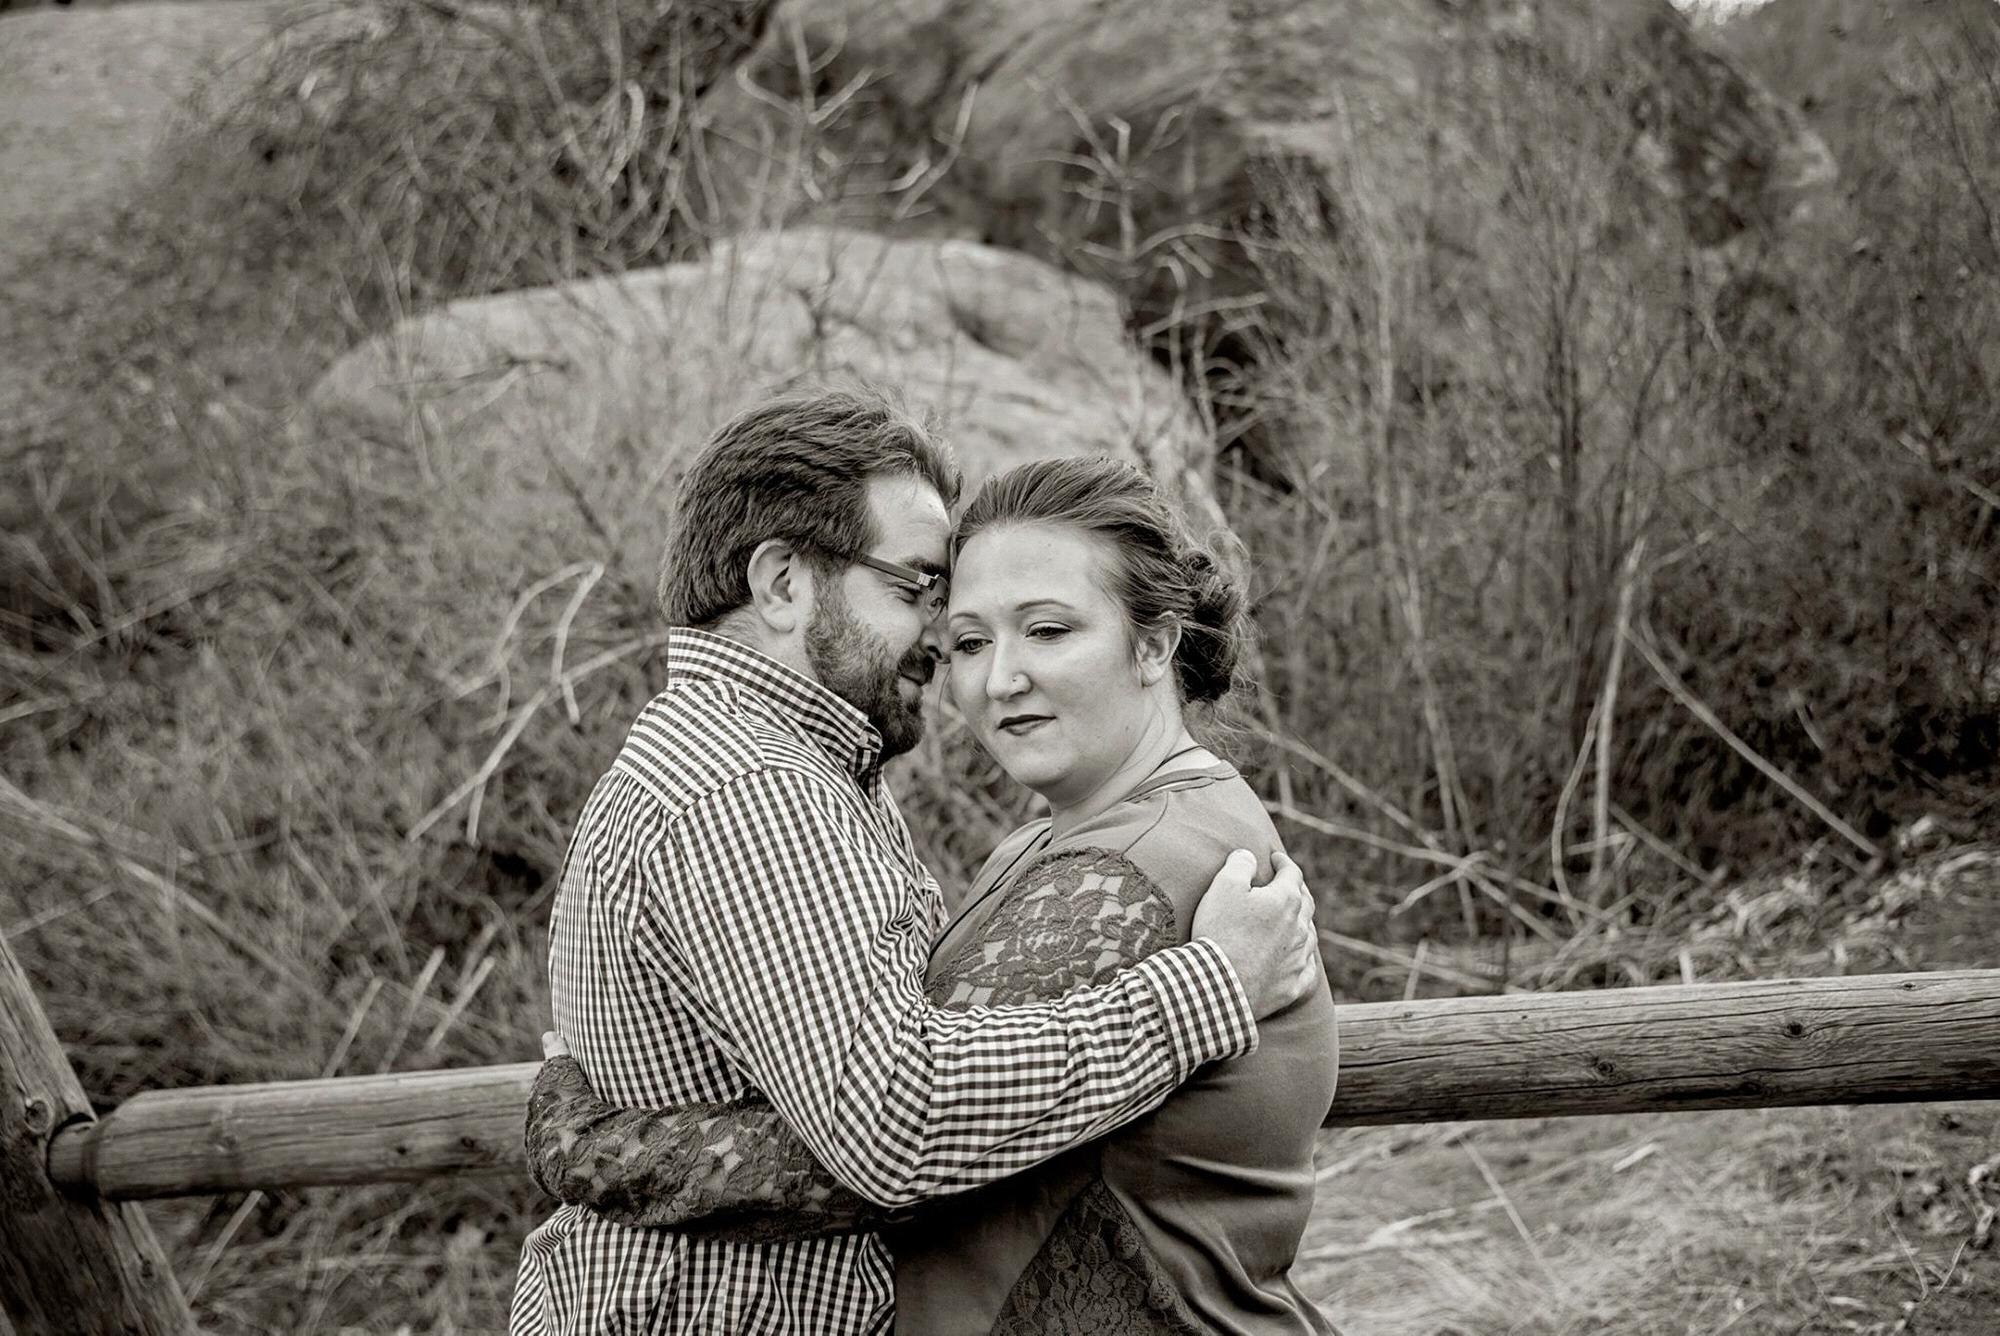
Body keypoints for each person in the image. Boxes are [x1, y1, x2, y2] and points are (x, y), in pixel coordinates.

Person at [508, 388, 1324, 1336]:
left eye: (1043, 627)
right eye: (915, 592)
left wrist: (597, 1144)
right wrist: (1207, 992)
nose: (945, 646)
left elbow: (900, 1109)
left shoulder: (800, 771)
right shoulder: (751, 790)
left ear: (1155, 645)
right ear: (781, 585)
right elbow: (902, 1119)